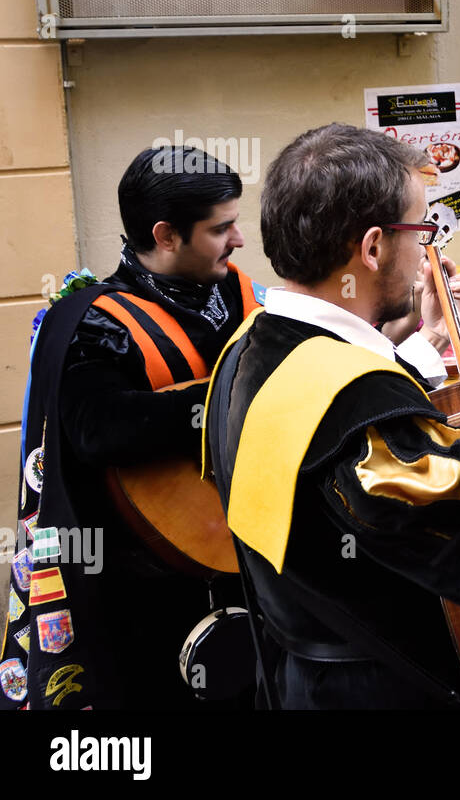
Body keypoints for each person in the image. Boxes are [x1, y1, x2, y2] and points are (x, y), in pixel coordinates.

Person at [204, 124, 460, 710]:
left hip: (298, 678)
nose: (427, 251)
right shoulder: (359, 409)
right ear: (372, 248)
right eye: (421, 230)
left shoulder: (246, 350)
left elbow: (324, 419)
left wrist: (422, 345)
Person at [1, 146, 260, 710]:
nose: (239, 240)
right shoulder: (90, 321)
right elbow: (102, 430)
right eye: (223, 229)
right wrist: (234, 400)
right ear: (166, 235)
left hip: (244, 556)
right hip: (145, 590)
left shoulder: (237, 292)